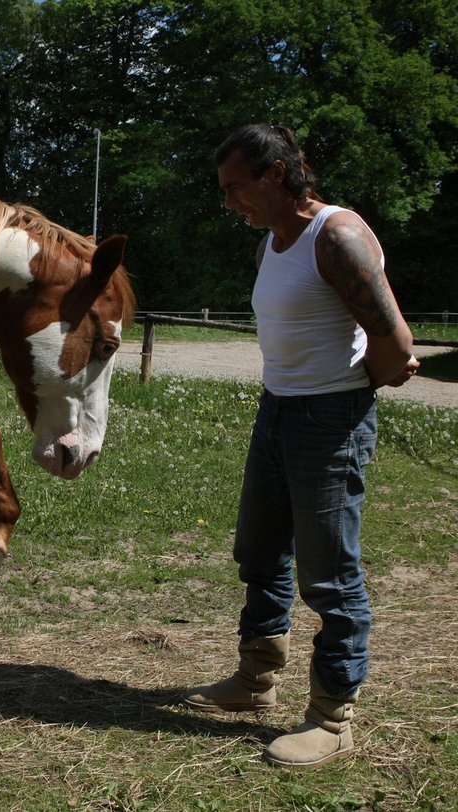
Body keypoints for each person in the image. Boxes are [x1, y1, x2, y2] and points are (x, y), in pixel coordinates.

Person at [183, 124, 419, 768]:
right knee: (260, 551)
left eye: (237, 188)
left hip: (330, 419)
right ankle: (255, 680)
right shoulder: (271, 244)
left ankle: (332, 716)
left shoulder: (337, 236)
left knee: (330, 575)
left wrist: (346, 394)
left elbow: (397, 350)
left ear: (277, 175)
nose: (230, 202)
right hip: (276, 411)